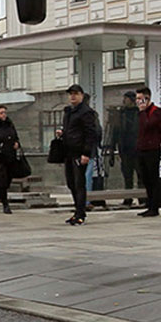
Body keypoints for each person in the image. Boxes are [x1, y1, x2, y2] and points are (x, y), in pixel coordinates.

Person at [60, 84, 99, 225]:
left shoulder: (86, 112)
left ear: (82, 95)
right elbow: (71, 130)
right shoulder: (69, 112)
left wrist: (86, 153)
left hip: (79, 152)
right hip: (68, 152)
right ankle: (78, 210)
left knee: (79, 183)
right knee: (71, 182)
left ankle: (80, 212)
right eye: (71, 94)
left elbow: (90, 133)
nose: (73, 96)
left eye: (76, 94)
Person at [134, 86, 161, 217]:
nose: (137, 102)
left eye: (140, 99)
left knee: (153, 178)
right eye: (137, 99)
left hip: (152, 149)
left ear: (147, 99)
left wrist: (143, 112)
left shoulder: (157, 112)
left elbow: (149, 125)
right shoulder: (139, 113)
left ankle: (154, 207)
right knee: (145, 178)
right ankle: (149, 204)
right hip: (141, 148)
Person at [108, 91, 141, 206]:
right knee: (127, 175)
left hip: (137, 148)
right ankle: (128, 198)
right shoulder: (121, 113)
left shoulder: (139, 113)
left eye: (126, 98)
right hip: (124, 149)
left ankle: (142, 198)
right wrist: (112, 150)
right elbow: (114, 132)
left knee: (140, 174)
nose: (124, 101)